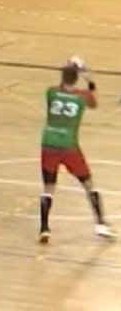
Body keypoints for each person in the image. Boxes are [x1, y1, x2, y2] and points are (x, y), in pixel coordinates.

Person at [39, 63, 115, 243]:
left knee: (48, 188)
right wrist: (90, 81)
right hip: (69, 146)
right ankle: (100, 224)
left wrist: (70, 68)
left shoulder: (51, 92)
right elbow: (94, 103)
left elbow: (61, 89)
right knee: (89, 184)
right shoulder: (82, 97)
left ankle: (44, 229)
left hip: (48, 143)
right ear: (76, 79)